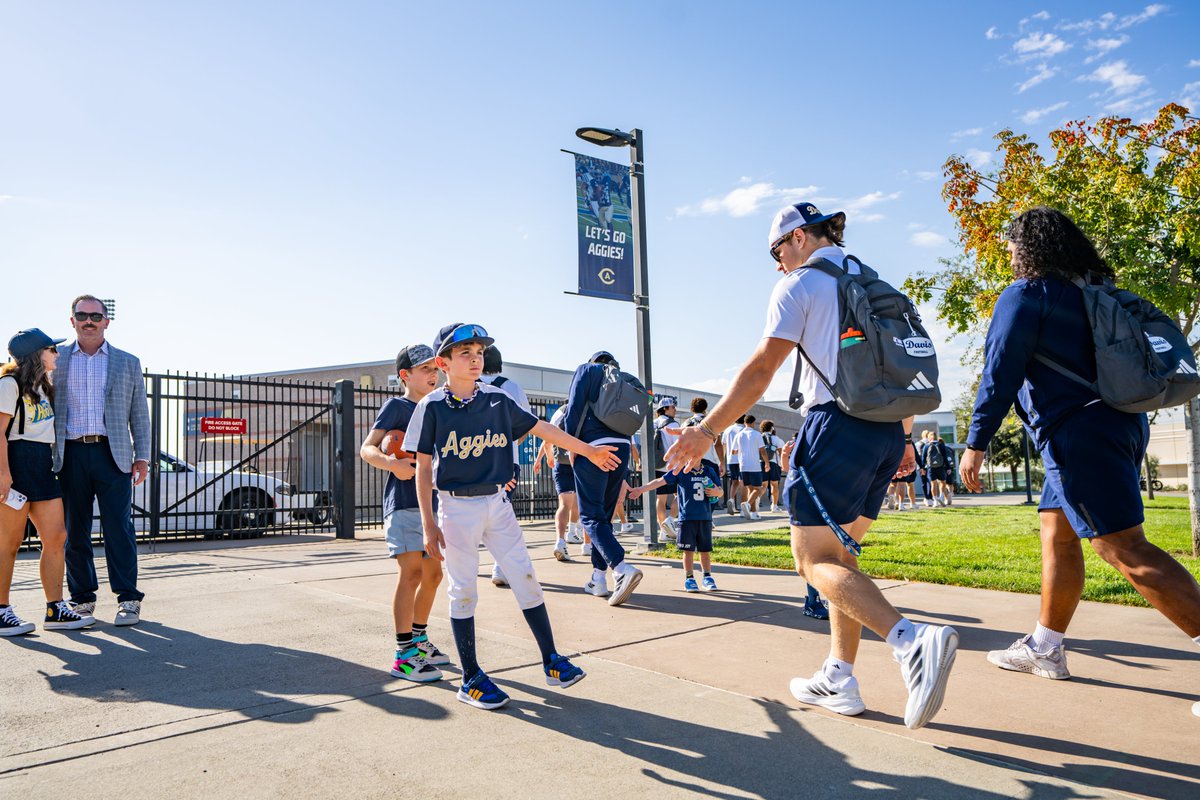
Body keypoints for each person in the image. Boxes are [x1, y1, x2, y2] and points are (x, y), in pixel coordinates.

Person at [665, 201, 957, 730]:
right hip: (888, 429)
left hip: (836, 426)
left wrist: (706, 431)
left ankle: (911, 641)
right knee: (841, 560)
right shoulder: (870, 280)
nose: (778, 264)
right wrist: (907, 439)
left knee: (811, 561)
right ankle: (838, 677)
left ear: (798, 237)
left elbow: (760, 371)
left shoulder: (800, 285)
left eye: (777, 250)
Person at [960, 206, 1200, 692]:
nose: (1006, 250)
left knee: (1123, 548)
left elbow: (1000, 372)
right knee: (1058, 533)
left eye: (1010, 242)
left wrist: (976, 443)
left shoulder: (1026, 295)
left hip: (1078, 435)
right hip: (1117, 424)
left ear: (1026, 248)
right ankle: (1045, 647)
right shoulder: (1094, 294)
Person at [406, 324, 620, 710]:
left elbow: (542, 429)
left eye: (479, 352)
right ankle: (470, 677)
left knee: (525, 577)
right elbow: (422, 467)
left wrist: (587, 451)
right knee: (464, 590)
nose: (475, 358)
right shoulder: (431, 406)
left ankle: (552, 660)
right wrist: (428, 523)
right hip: (455, 508)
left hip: (497, 504)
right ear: (444, 362)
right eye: (465, 353)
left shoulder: (497, 399)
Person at [53, 295, 151, 627]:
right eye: (82, 315)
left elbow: (139, 413)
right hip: (69, 453)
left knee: (118, 528)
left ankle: (128, 599)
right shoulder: (57, 359)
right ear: (72, 320)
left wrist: (143, 457)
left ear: (107, 321)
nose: (89, 320)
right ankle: (81, 599)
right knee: (73, 529)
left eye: (96, 315)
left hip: (114, 454)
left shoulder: (127, 362)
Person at [359, 344, 450, 683]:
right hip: (404, 500)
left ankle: (420, 638)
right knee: (411, 573)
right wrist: (392, 464)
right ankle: (403, 655)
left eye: (435, 368)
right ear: (405, 376)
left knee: (434, 576)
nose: (433, 373)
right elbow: (367, 448)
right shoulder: (396, 406)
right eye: (424, 369)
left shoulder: (439, 406)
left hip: (435, 504)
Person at [1, 329, 95, 636]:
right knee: (9, 544)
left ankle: (55, 609)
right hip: (15, 460)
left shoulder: (43, 386)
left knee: (57, 536)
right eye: (51, 348)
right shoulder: (9, 384)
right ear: (35, 354)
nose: (57, 353)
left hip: (41, 463)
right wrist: (3, 474)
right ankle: (2, 610)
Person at [564, 351, 644, 606]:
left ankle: (620, 568)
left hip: (594, 447)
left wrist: (573, 448)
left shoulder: (587, 371)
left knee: (589, 515)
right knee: (604, 517)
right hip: (621, 447)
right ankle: (598, 579)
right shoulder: (624, 381)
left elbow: (573, 409)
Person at [480, 344, 533, 587]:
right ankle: (500, 566)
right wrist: (511, 441)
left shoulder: (468, 385)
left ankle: (463, 563)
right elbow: (526, 426)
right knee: (501, 515)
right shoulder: (511, 387)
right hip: (505, 462)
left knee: (470, 513)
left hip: (471, 462)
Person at [630, 463, 722, 592]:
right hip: (687, 518)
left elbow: (720, 491)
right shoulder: (681, 471)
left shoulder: (709, 470)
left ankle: (707, 577)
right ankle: (689, 578)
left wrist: (717, 492)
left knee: (705, 550)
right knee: (688, 550)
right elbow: (660, 481)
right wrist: (641, 489)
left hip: (705, 517)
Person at [532, 406, 580, 561]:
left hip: (561, 463)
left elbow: (547, 440)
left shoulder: (560, 412)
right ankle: (573, 532)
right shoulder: (582, 411)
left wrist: (546, 458)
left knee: (564, 504)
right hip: (579, 462)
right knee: (580, 500)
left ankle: (560, 541)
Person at [652, 397, 681, 539]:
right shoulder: (673, 425)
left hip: (658, 466)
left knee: (660, 499)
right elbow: (678, 446)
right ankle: (670, 520)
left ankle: (663, 531)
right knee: (681, 495)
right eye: (672, 407)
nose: (675, 409)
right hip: (673, 466)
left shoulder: (653, 424)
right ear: (665, 409)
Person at [735, 414, 767, 520]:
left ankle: (753, 513)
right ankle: (747, 504)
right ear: (753, 423)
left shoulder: (739, 435)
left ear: (744, 423)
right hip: (754, 465)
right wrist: (767, 462)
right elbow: (762, 450)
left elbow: (734, 451)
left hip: (743, 465)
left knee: (750, 489)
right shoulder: (757, 434)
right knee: (758, 488)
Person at [721, 416, 745, 515]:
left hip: (730, 459)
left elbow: (723, 445)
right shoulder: (744, 430)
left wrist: (722, 459)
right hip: (741, 459)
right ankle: (744, 505)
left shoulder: (728, 430)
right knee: (743, 482)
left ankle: (731, 500)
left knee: (734, 481)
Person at [760, 420, 785, 513]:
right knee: (774, 484)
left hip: (761, 463)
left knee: (763, 485)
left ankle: (755, 501)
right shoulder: (776, 439)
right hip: (774, 463)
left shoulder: (759, 437)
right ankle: (774, 506)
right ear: (772, 428)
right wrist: (783, 464)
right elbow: (781, 452)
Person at [923, 432, 951, 507]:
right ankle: (941, 497)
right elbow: (945, 457)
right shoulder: (941, 445)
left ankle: (935, 501)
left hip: (930, 467)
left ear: (929, 438)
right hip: (940, 467)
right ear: (936, 437)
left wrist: (923, 468)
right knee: (943, 482)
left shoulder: (926, 446)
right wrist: (948, 467)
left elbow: (923, 458)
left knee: (933, 484)